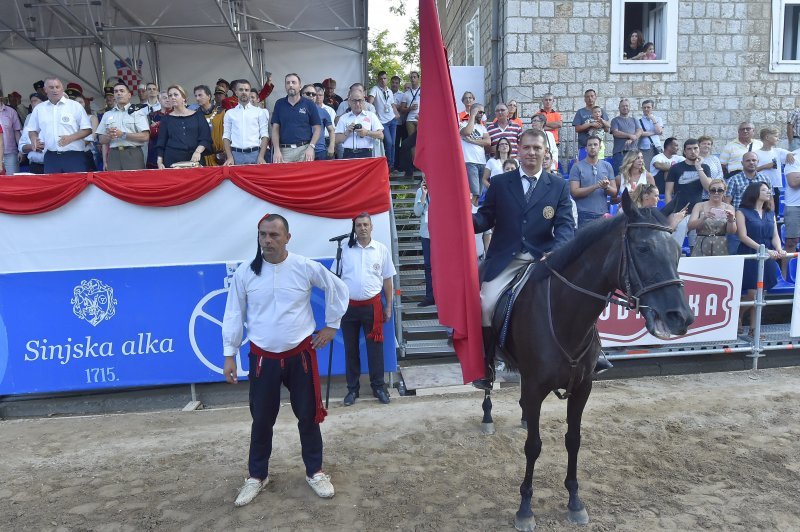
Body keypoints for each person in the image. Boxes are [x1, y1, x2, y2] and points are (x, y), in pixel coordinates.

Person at [222, 213, 348, 506]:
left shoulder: (304, 267)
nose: (267, 240)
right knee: (262, 420)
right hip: (263, 357)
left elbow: (336, 287)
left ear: (287, 238)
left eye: (274, 235)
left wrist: (332, 325)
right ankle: (256, 476)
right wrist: (230, 353)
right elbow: (233, 313)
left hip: (299, 355)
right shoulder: (245, 273)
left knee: (308, 417)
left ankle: (315, 471)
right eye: (263, 235)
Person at [472, 129, 576, 390]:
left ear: (545, 152)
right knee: (485, 306)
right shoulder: (499, 183)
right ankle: (486, 365)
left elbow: (565, 225)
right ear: (517, 150)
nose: (531, 153)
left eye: (537, 148)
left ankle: (591, 354)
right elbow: (485, 218)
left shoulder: (559, 185)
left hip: (543, 258)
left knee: (578, 295)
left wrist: (558, 249)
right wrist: (466, 218)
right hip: (506, 259)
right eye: (527, 147)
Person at [339, 213, 396, 406]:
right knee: (351, 350)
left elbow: (388, 279)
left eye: (365, 225)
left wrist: (389, 305)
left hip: (373, 307)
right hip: (349, 308)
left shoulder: (381, 249)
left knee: (375, 350)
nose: (362, 228)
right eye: (358, 225)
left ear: (371, 227)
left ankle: (379, 387)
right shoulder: (345, 250)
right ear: (354, 229)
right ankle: (352, 389)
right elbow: (336, 279)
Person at [736, 182, 786, 335]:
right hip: (751, 253)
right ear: (754, 193)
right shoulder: (742, 212)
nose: (769, 192)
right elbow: (742, 236)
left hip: (767, 255)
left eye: (769, 190)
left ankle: (754, 329)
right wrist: (763, 250)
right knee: (752, 294)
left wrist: (778, 249)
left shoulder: (770, 213)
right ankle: (737, 315)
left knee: (761, 294)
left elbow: (775, 235)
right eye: (764, 190)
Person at [26, 77, 92, 174]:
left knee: (76, 187)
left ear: (62, 89)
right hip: (51, 156)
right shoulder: (39, 109)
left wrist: (71, 138)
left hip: (74, 155)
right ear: (45, 90)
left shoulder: (74, 106)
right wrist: (33, 139)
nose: (55, 90)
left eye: (57, 87)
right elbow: (32, 129)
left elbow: (87, 129)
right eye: (51, 87)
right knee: (53, 187)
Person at [665, 138, 711, 246]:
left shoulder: (705, 167)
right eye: (689, 149)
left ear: (699, 149)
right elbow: (668, 192)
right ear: (685, 151)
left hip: (698, 212)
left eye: (695, 148)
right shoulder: (675, 168)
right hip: (679, 211)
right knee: (675, 245)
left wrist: (698, 167)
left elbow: (708, 188)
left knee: (696, 246)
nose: (693, 151)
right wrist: (670, 212)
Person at [96, 82, 150, 170]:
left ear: (129, 95)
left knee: (134, 182)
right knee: (113, 182)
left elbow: (145, 136)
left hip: (132, 153)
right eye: (116, 91)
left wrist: (123, 134)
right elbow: (101, 139)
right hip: (113, 154)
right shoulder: (107, 114)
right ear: (114, 96)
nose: (119, 93)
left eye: (122, 91)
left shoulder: (137, 112)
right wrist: (109, 136)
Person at [155, 85, 211, 168]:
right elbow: (161, 142)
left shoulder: (198, 115)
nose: (172, 97)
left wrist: (198, 152)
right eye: (170, 95)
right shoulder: (166, 119)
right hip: (172, 160)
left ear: (184, 98)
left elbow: (205, 137)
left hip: (195, 159)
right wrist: (159, 162)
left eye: (176, 95)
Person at [271, 73, 322, 163]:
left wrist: (311, 147)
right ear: (285, 86)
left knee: (306, 177)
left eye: (294, 82)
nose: (290, 85)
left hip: (305, 150)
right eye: (288, 83)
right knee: (285, 177)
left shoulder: (309, 104)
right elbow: (275, 129)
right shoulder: (279, 104)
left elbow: (317, 128)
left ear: (300, 86)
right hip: (284, 152)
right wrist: (276, 150)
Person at [569, 135, 617, 227]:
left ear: (600, 147)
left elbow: (614, 192)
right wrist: (596, 186)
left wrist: (606, 187)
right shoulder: (577, 167)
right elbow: (574, 192)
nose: (593, 147)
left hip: (603, 214)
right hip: (583, 214)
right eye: (590, 145)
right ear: (586, 148)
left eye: (595, 144)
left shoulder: (607, 166)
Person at [222, 79, 270, 166]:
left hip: (255, 154)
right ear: (236, 92)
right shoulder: (229, 113)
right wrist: (229, 157)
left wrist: (261, 156)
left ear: (249, 92)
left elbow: (265, 135)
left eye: (246, 90)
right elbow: (226, 136)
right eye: (241, 90)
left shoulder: (259, 112)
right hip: (235, 155)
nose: (244, 92)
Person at [687, 178, 737, 256]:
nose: (716, 193)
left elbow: (731, 231)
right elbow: (690, 226)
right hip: (702, 242)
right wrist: (703, 218)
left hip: (721, 244)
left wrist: (731, 220)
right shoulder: (699, 206)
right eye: (713, 190)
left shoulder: (729, 208)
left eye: (720, 190)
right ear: (709, 192)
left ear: (724, 192)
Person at [754, 126, 795, 213]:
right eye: (776, 136)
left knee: (774, 212)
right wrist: (765, 166)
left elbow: (794, 154)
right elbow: (752, 171)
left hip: (775, 186)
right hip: (760, 186)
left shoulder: (778, 151)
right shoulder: (756, 154)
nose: (778, 139)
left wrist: (789, 154)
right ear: (767, 137)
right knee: (761, 210)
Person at [334, 88, 384, 159]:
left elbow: (381, 135)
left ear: (364, 101)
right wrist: (347, 132)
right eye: (354, 101)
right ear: (349, 102)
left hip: (366, 154)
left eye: (360, 100)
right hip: (348, 154)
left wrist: (367, 132)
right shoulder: (343, 118)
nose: (357, 104)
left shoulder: (371, 116)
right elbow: (336, 140)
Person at [459, 102, 491, 203]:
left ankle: (474, 212)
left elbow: (488, 142)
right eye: (479, 111)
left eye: (483, 112)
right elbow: (467, 132)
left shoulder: (482, 127)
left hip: (482, 162)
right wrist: (472, 115)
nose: (482, 114)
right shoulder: (462, 124)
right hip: (469, 161)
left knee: (479, 193)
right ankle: (471, 214)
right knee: (475, 192)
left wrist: (472, 141)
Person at [368, 71, 400, 170]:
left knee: (394, 143)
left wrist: (396, 113)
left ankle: (392, 165)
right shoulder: (375, 89)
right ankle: (387, 165)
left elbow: (392, 104)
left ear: (387, 79)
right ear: (378, 79)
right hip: (382, 122)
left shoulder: (389, 91)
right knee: (389, 143)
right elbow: (370, 102)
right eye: (381, 78)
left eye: (385, 78)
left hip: (392, 120)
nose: (383, 80)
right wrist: (373, 115)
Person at [193, 85, 226, 166]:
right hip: (201, 156)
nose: (197, 98)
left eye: (200, 95)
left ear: (209, 96)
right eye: (196, 96)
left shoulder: (221, 112)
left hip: (220, 157)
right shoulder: (194, 115)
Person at [573, 89, 609, 160]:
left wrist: (601, 125)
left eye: (592, 96)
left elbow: (607, 129)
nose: (590, 98)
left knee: (598, 168)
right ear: (584, 99)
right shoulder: (580, 112)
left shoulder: (601, 111)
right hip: (584, 146)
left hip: (598, 147)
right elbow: (577, 129)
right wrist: (591, 125)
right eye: (587, 97)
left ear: (595, 97)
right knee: (584, 168)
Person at [414, 179, 434, 307]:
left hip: (441, 233)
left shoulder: (442, 188)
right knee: (428, 266)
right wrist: (423, 195)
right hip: (426, 234)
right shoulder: (420, 191)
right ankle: (430, 296)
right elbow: (417, 212)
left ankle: (442, 295)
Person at [610, 98, 642, 175]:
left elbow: (640, 131)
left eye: (627, 106)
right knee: (619, 175)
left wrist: (632, 138)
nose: (625, 107)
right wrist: (630, 135)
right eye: (623, 106)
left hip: (633, 152)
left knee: (634, 174)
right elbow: (615, 132)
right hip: (620, 153)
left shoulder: (634, 120)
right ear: (619, 108)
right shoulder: (615, 120)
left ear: (629, 107)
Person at [18, 93, 45, 174]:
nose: (32, 103)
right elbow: (22, 144)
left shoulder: (51, 118)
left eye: (35, 101)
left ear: (44, 102)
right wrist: (32, 146)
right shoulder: (29, 117)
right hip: (34, 164)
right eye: (31, 101)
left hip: (51, 164)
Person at [145, 91, 172, 169]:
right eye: (164, 98)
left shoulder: (177, 114)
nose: (167, 100)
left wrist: (158, 125)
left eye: (169, 97)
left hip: (173, 151)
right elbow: (147, 134)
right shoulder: (151, 115)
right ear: (159, 100)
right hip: (155, 152)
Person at [637, 99, 664, 171]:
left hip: (656, 146)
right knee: (646, 168)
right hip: (644, 148)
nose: (646, 109)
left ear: (652, 108)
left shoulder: (658, 119)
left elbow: (660, 131)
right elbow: (641, 133)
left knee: (659, 168)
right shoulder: (639, 121)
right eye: (644, 107)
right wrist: (655, 132)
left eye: (648, 107)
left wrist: (653, 119)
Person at [0, 90, 22, 175]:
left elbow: (17, 132)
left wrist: (20, 150)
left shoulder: (11, 111)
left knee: (13, 181)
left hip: (10, 153)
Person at [310, 86, 335, 160]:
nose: (317, 97)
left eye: (320, 95)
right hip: (305, 148)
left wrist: (331, 146)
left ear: (324, 96)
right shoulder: (303, 110)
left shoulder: (325, 111)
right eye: (315, 95)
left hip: (320, 149)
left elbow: (331, 130)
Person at [399, 71, 421, 138]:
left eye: (414, 77)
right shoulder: (406, 93)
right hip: (410, 120)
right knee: (411, 141)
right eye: (411, 77)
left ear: (418, 78)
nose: (413, 79)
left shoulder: (424, 90)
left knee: (421, 139)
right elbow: (402, 110)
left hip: (421, 118)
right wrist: (410, 108)